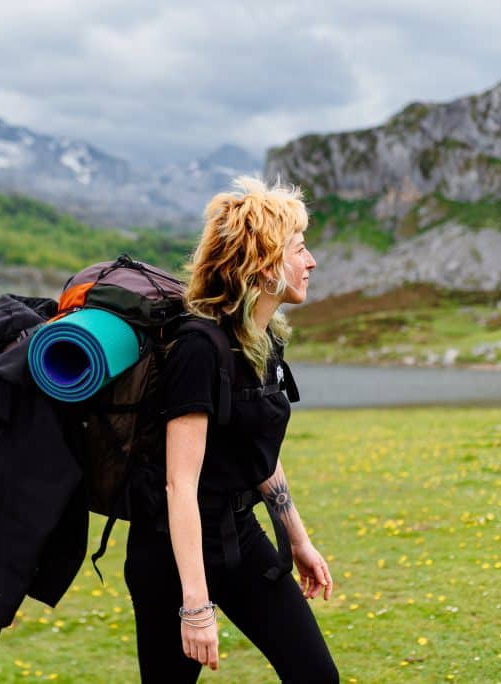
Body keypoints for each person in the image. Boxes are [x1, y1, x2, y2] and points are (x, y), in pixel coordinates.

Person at [123, 176, 339, 682]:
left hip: (239, 536)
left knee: (315, 675)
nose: (310, 263)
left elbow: (256, 452)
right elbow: (180, 486)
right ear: (264, 266)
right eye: (299, 250)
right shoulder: (200, 347)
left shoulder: (262, 342)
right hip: (171, 554)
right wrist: (195, 605)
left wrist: (299, 541)